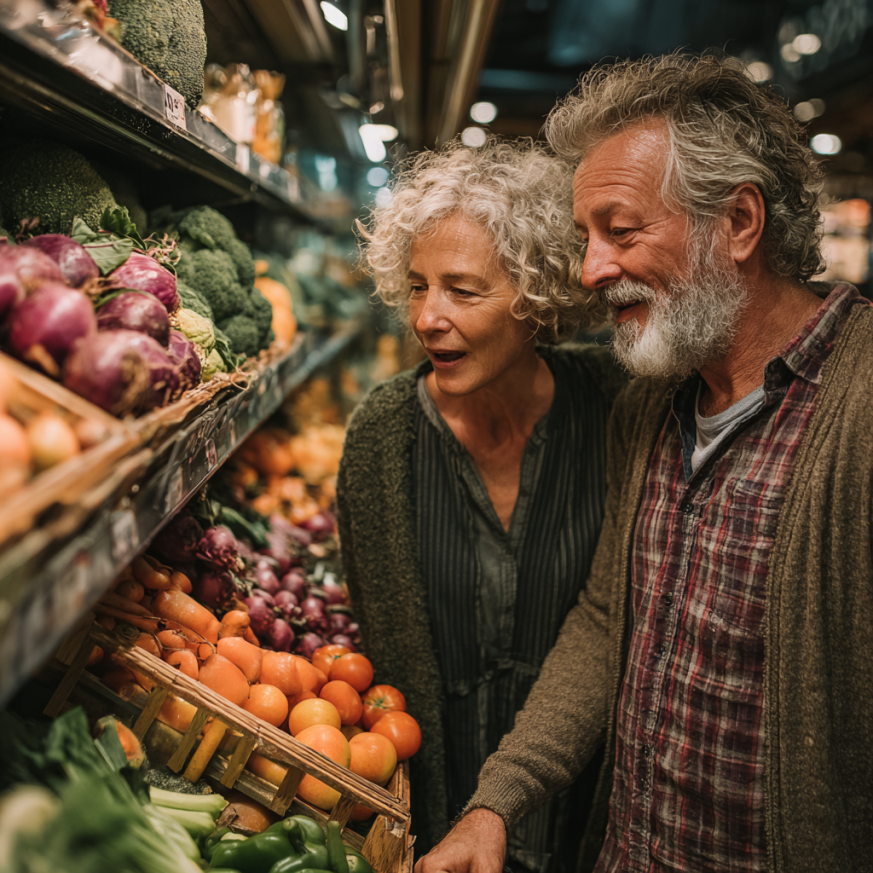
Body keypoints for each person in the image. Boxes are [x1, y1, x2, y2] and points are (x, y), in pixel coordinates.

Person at [417, 54, 873, 873]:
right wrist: (497, 801)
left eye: (620, 233)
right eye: (587, 237)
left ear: (737, 222)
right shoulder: (649, 409)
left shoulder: (858, 409)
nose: (592, 270)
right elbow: (606, 623)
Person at [336, 138, 626, 871]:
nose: (429, 317)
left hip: (590, 826)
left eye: (463, 291)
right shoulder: (383, 436)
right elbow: (385, 655)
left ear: (534, 296)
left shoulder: (615, 411)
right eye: (416, 286)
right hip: (438, 834)